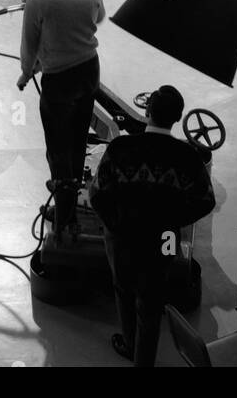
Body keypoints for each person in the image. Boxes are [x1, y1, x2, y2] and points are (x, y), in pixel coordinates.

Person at [90, 85, 216, 367]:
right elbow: (205, 201)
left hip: (122, 239)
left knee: (123, 289)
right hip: (165, 240)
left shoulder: (120, 148)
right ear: (178, 118)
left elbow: (97, 194)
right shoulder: (187, 157)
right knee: (151, 300)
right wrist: (174, 221)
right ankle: (143, 361)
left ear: (147, 112)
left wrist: (116, 225)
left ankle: (129, 343)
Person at [16, 0, 105, 237]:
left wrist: (26, 73)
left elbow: (29, 44)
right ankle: (68, 208)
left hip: (59, 80)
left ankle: (65, 214)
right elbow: (99, 17)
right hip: (89, 71)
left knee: (57, 148)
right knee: (78, 139)